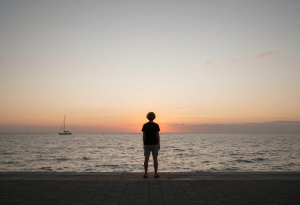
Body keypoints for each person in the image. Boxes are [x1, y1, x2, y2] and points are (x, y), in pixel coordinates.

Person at [142, 112, 160, 178]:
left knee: (146, 159)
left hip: (147, 143)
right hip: (154, 143)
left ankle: (146, 174)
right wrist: (159, 144)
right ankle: (155, 174)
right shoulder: (156, 125)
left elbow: (143, 135)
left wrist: (144, 143)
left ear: (147, 117)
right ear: (154, 117)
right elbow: (157, 135)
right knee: (155, 158)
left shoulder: (145, 125)